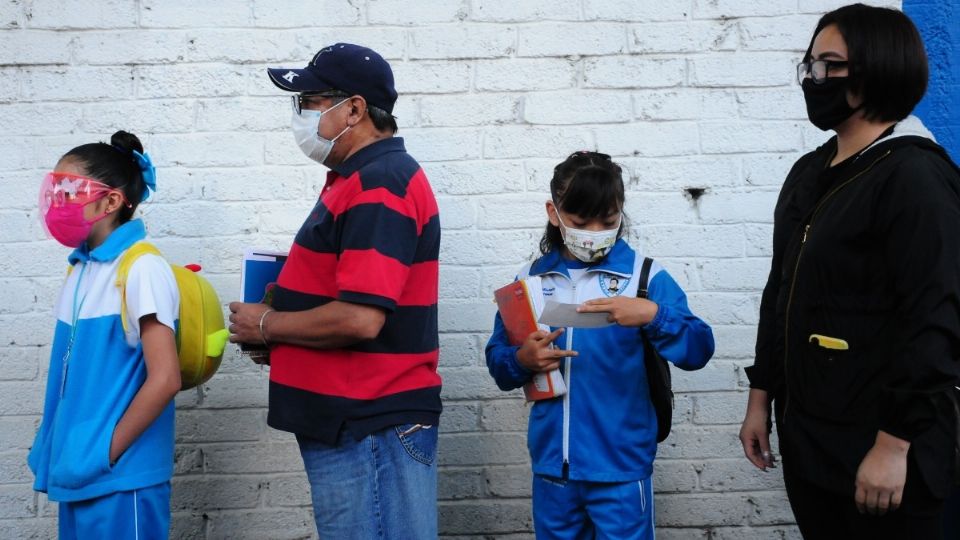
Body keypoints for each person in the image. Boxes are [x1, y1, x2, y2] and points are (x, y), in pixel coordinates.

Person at [738, 4, 960, 538]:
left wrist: (894, 444)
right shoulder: (809, 172)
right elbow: (781, 292)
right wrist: (761, 396)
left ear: (876, 70)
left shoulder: (915, 176)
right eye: (810, 64)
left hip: (884, 449)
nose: (813, 78)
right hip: (811, 438)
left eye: (828, 65)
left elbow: (938, 318)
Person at [227, 43, 442, 538]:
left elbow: (360, 318)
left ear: (354, 108)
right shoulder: (355, 179)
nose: (302, 114)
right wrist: (283, 328)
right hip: (354, 422)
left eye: (311, 100)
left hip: (369, 425)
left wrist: (267, 323)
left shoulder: (380, 182)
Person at [485, 151, 715, 540]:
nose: (594, 231)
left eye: (607, 221)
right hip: (553, 471)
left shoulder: (645, 277)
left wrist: (653, 315)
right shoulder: (528, 282)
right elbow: (499, 363)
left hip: (621, 470)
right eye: (579, 221)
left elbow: (699, 350)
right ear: (553, 212)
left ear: (621, 212)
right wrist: (522, 359)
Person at [28, 131, 181, 538]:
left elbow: (166, 378)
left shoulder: (142, 267)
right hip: (79, 473)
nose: (56, 201)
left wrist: (102, 453)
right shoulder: (81, 268)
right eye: (54, 189)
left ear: (111, 200)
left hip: (119, 479)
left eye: (68, 190)